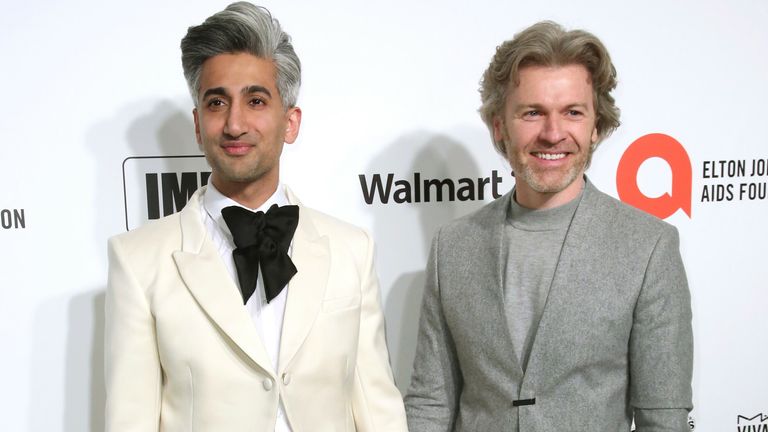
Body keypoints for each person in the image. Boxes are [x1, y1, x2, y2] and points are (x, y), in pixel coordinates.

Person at [105, 3, 407, 431]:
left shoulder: (351, 250)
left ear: (290, 121)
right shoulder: (138, 261)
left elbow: (379, 411)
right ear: (197, 124)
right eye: (216, 103)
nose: (234, 123)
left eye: (256, 100)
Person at [404, 21, 693, 431]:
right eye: (533, 112)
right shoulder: (452, 246)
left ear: (596, 127)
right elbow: (431, 403)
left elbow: (663, 416)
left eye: (573, 112)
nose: (553, 133)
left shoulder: (648, 247)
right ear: (500, 126)